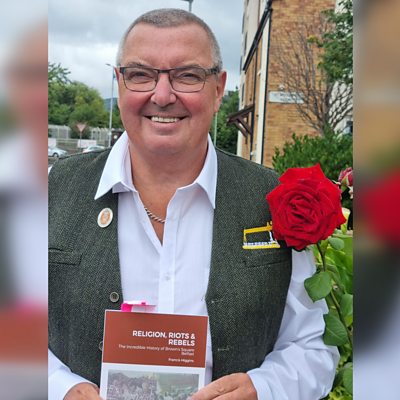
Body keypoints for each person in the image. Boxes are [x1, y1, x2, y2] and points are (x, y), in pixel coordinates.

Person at [48, 8, 338, 400]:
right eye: (140, 74)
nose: (162, 95)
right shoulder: (53, 190)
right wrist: (61, 389)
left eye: (187, 75)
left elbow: (313, 347)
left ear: (218, 89)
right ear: (119, 82)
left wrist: (264, 388)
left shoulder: (271, 199)